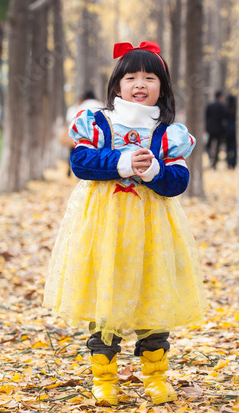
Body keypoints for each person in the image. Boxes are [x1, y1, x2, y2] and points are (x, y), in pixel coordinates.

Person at [42, 41, 207, 406]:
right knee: (107, 296)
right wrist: (121, 162)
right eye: (131, 76)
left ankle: (155, 376)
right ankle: (104, 379)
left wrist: (154, 170)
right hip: (104, 224)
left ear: (161, 87)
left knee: (154, 294)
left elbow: (177, 183)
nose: (140, 83)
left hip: (154, 226)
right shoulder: (97, 122)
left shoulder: (169, 132)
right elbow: (81, 162)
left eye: (150, 77)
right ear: (117, 84)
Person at [205, 90, 226, 169]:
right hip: (219, 130)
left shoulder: (210, 106)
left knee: (208, 146)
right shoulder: (222, 106)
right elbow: (223, 119)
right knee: (218, 147)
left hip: (210, 129)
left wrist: (206, 128)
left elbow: (207, 118)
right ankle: (215, 162)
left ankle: (211, 158)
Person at [225, 94, 237, 169]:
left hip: (227, 130)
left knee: (228, 147)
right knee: (235, 147)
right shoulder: (236, 108)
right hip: (235, 129)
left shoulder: (226, 108)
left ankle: (228, 162)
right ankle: (234, 163)